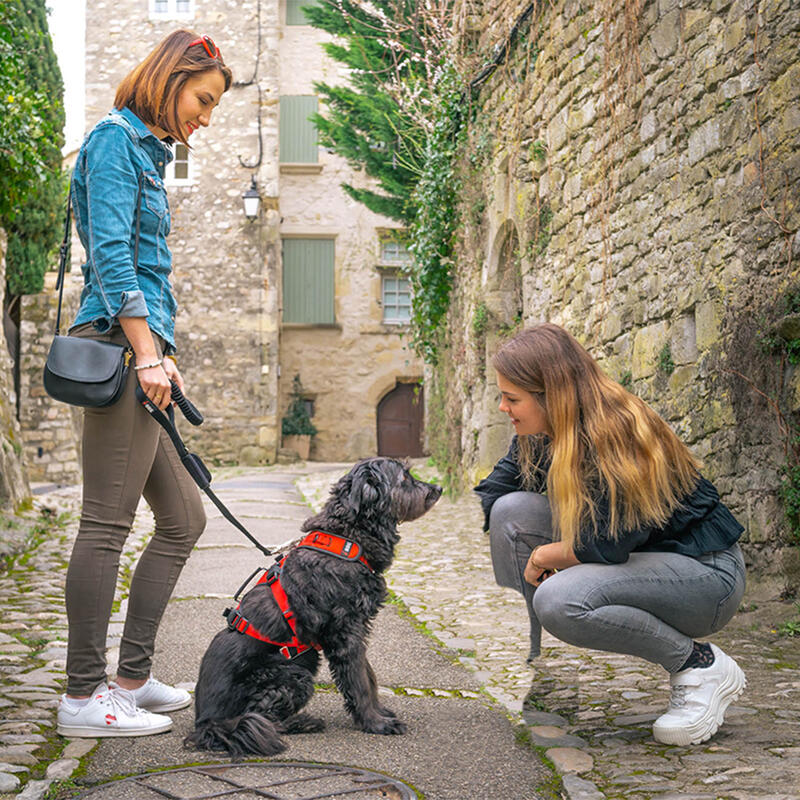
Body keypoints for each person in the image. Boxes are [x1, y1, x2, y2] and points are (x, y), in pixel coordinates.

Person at [56, 31, 232, 738]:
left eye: (215, 105)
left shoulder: (147, 155)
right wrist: (146, 353)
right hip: (117, 351)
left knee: (185, 519)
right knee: (105, 522)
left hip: (143, 354)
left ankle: (130, 677)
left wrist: (162, 349)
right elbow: (112, 259)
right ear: (170, 79)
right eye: (203, 99)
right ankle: (79, 697)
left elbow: (146, 275)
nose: (207, 118)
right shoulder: (111, 143)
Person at [475, 323, 746, 746]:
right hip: (639, 562)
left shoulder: (615, 429)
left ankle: (700, 666)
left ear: (551, 394)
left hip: (705, 577)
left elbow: (608, 543)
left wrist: (546, 557)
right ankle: (546, 657)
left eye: (512, 398)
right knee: (510, 513)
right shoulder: (543, 434)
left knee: (559, 598)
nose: (502, 407)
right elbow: (496, 491)